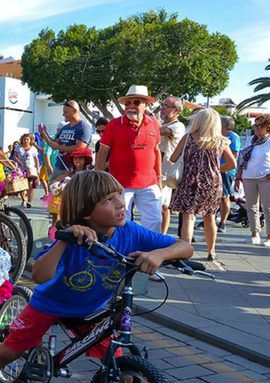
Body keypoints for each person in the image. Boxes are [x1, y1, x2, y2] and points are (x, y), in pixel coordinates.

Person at [0, 170, 192, 383]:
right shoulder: (72, 238)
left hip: (91, 311)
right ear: (86, 212)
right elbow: (41, 275)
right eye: (108, 200)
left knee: (122, 363)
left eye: (118, 196)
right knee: (7, 352)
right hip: (50, 305)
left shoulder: (130, 232)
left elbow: (185, 246)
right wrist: (64, 240)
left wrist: (159, 253)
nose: (121, 203)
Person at [169, 109, 236, 261]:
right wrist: (216, 170)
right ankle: (211, 251)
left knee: (188, 217)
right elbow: (232, 163)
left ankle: (185, 250)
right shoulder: (221, 141)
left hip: (190, 180)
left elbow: (173, 158)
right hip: (212, 182)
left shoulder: (188, 138)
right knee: (210, 217)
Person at [95, 85, 163, 233]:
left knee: (155, 221)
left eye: (136, 103)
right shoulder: (113, 125)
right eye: (128, 103)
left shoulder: (154, 124)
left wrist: (159, 178)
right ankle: (122, 251)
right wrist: (98, 179)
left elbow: (156, 151)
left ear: (146, 105)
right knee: (120, 222)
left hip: (149, 184)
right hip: (120, 185)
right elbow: (102, 152)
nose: (131, 106)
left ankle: (150, 252)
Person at [235, 114, 270, 246]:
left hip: (265, 177)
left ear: (267, 128)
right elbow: (242, 159)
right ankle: (254, 234)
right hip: (248, 176)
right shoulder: (251, 140)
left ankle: (269, 236)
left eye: (258, 126)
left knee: (268, 208)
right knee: (251, 207)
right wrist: (238, 177)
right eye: (254, 125)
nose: (255, 128)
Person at [40, 101, 93, 180]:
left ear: (74, 111)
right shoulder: (65, 127)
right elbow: (54, 143)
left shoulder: (83, 127)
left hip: (74, 168)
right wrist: (44, 133)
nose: (63, 114)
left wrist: (59, 147)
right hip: (59, 166)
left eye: (65, 112)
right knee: (53, 188)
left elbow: (80, 148)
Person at [157, 97, 186, 235]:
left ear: (176, 110)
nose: (162, 108)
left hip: (166, 173)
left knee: (163, 206)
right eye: (162, 105)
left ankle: (161, 235)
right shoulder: (163, 124)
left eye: (166, 106)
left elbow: (163, 132)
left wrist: (148, 119)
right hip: (156, 171)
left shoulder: (178, 126)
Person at [217, 116, 241, 233]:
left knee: (224, 197)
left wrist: (225, 168)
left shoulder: (233, 137)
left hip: (226, 171)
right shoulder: (218, 136)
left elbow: (234, 155)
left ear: (224, 125)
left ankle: (223, 222)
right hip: (216, 170)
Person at [17, 133, 40, 208]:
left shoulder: (33, 149)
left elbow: (36, 159)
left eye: (27, 139)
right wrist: (18, 161)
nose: (25, 141)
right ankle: (23, 200)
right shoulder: (19, 148)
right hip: (21, 169)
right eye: (24, 139)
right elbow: (15, 157)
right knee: (22, 185)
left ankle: (29, 202)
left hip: (30, 169)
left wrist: (37, 168)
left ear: (30, 140)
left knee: (30, 185)